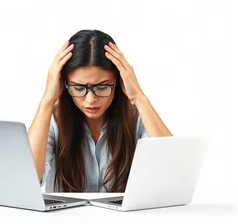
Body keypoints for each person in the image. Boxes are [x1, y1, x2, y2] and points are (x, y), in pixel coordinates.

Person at [28, 29, 172, 193]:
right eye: (79, 87)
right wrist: (47, 101)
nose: (90, 100)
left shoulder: (137, 118)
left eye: (102, 87)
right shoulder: (52, 119)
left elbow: (170, 170)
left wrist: (139, 97)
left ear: (118, 82)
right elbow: (28, 179)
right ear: (64, 83)